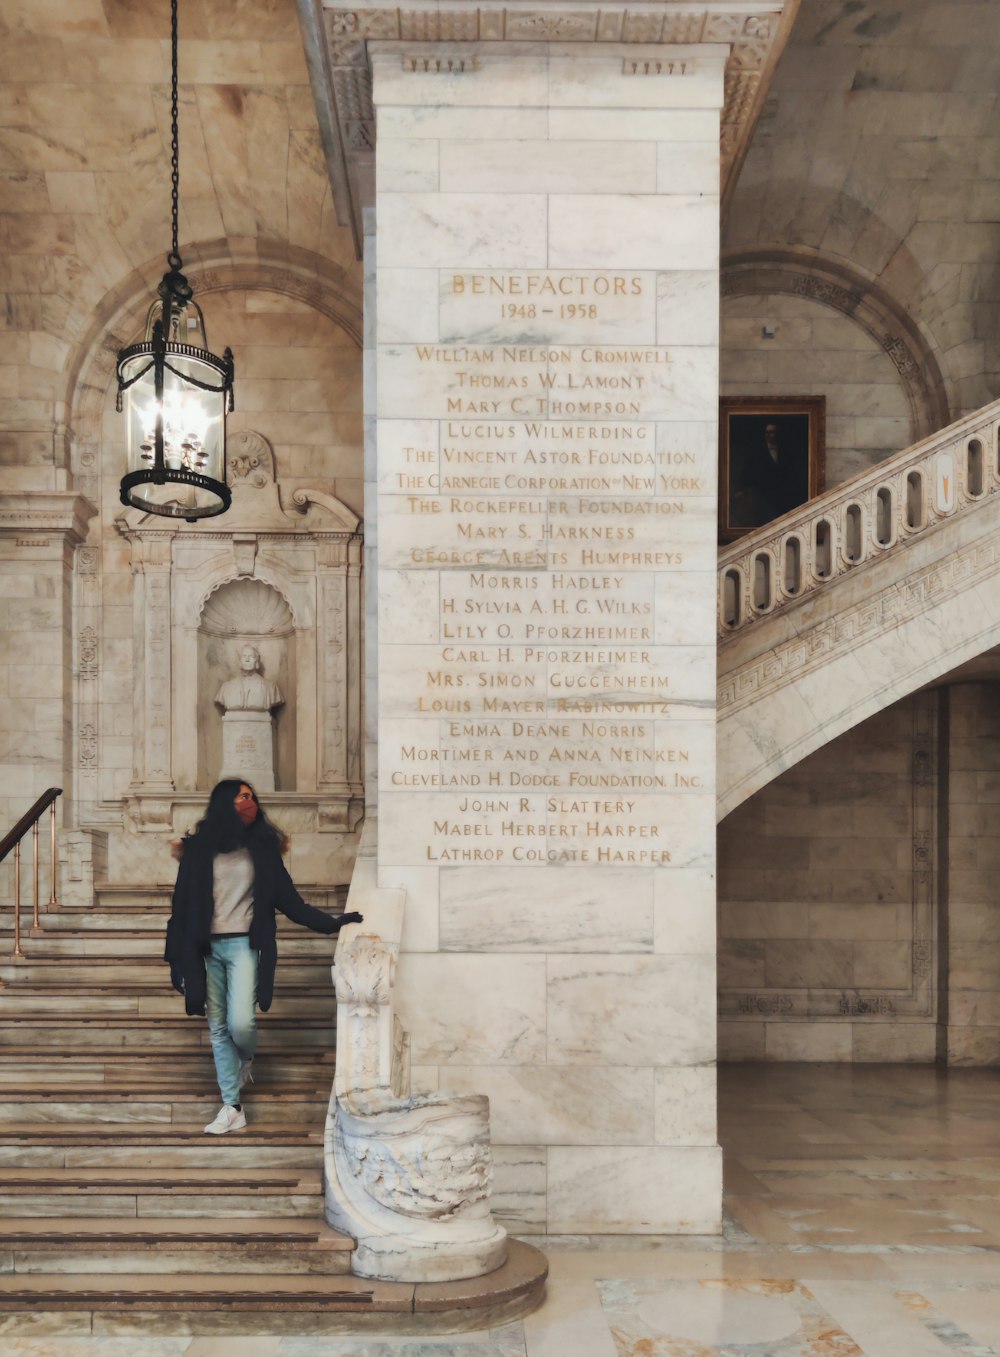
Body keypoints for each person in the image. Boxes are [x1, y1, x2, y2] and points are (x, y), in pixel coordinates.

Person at [165, 778, 363, 1134]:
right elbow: (181, 906)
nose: (250, 802)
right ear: (225, 802)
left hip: (244, 945)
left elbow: (290, 901)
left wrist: (333, 924)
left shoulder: (262, 849)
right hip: (205, 947)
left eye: (252, 797)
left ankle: (246, 1057)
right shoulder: (197, 850)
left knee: (242, 1023)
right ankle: (232, 1107)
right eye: (243, 797)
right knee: (218, 1027)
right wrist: (177, 960)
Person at [215, 644, 284, 713]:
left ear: (257, 661)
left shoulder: (271, 688)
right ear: (240, 661)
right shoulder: (226, 687)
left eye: (251, 657)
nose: (247, 660)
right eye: (244, 657)